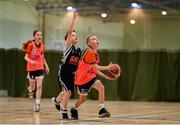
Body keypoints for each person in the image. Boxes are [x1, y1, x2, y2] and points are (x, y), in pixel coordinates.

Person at [70, 35, 119, 120]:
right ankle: (74, 109)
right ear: (89, 43)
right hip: (81, 79)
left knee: (101, 87)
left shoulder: (96, 54)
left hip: (90, 76)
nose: (96, 39)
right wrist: (107, 67)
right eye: (93, 39)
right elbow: (96, 67)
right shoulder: (90, 52)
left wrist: (106, 76)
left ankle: (102, 109)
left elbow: (94, 70)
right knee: (82, 99)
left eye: (96, 38)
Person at [51, 12, 82, 119]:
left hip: (71, 74)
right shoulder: (68, 47)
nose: (75, 36)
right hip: (63, 72)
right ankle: (63, 111)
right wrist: (73, 19)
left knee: (65, 92)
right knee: (67, 92)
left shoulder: (79, 51)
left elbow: (79, 64)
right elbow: (69, 32)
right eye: (73, 35)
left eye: (76, 35)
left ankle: (56, 101)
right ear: (68, 39)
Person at [23, 30, 49, 112]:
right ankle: (30, 89)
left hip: (40, 68)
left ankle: (37, 105)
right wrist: (31, 61)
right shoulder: (31, 45)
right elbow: (25, 57)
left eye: (41, 35)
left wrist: (46, 65)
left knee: (39, 86)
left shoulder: (43, 46)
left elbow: (42, 57)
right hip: (31, 69)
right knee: (33, 87)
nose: (39, 36)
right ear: (34, 36)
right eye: (38, 35)